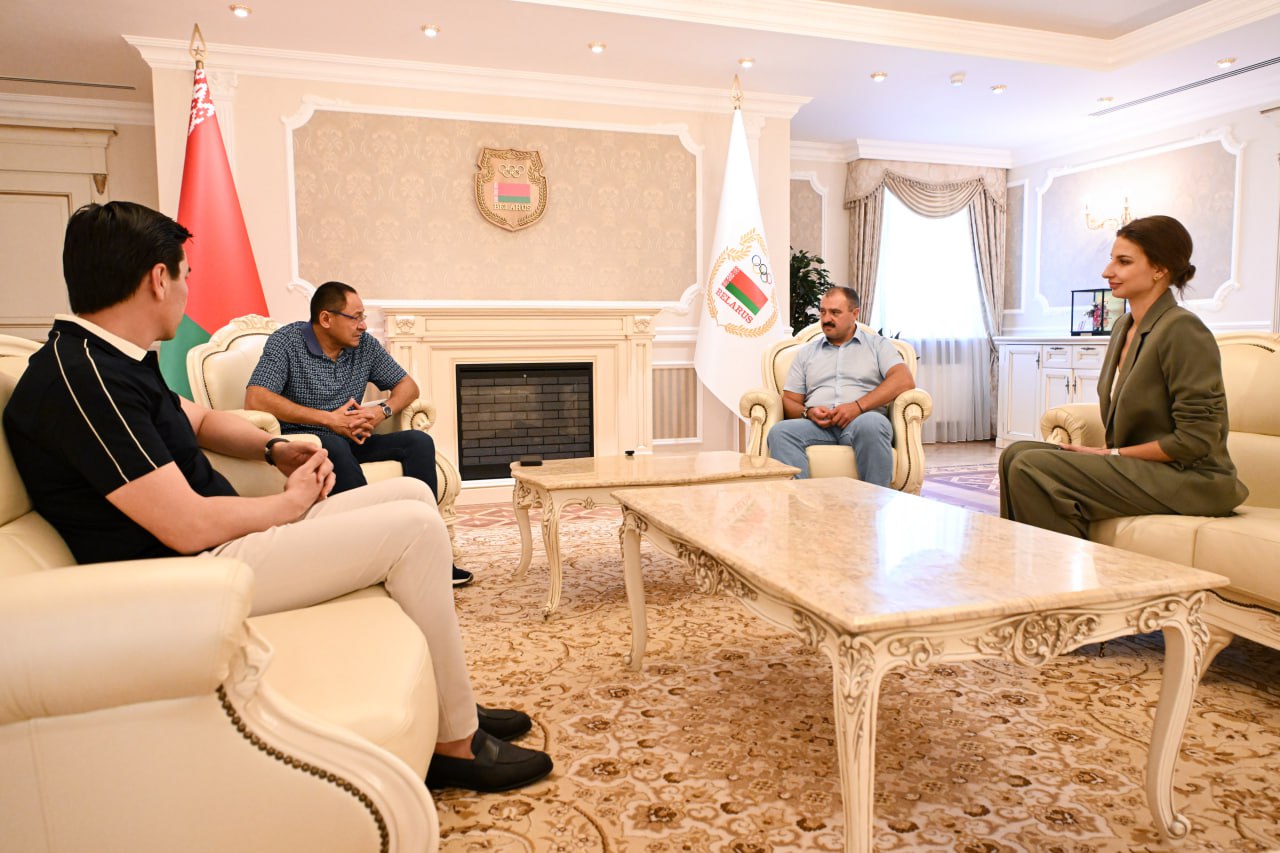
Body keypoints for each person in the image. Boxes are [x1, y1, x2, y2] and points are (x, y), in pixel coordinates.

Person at [3, 201, 550, 793]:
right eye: (185, 274)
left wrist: (274, 449)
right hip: (193, 573)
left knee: (415, 494)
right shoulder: (83, 380)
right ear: (159, 278)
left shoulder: (114, 360)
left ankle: (451, 703)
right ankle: (455, 743)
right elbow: (186, 526)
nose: (187, 291)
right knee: (415, 532)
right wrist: (288, 505)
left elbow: (201, 420)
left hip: (220, 543)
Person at [999, 215, 1248, 538]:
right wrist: (1106, 453)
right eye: (1111, 259)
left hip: (1191, 479)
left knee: (1031, 467)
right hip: (1144, 469)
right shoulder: (1122, 326)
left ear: (1160, 269)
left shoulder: (1183, 330)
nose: (1107, 272)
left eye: (1124, 262)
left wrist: (1109, 454)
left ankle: (1060, 566)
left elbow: (1195, 440)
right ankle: (1035, 561)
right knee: (1015, 454)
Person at [244, 281, 473, 587]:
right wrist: (329, 420)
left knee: (418, 441)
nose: (363, 325)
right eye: (356, 317)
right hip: (305, 442)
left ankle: (430, 554)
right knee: (334, 445)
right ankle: (373, 555)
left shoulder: (363, 346)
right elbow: (256, 398)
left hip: (351, 437)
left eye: (363, 317)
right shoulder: (286, 342)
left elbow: (408, 386)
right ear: (326, 318)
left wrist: (380, 412)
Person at [766, 286, 916, 486]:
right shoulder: (806, 353)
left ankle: (874, 502)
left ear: (855, 313)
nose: (826, 319)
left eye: (835, 312)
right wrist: (808, 412)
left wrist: (857, 407)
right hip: (817, 426)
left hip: (862, 421)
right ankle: (801, 502)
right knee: (780, 432)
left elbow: (904, 379)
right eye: (823, 312)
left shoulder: (878, 346)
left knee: (872, 423)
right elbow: (790, 400)